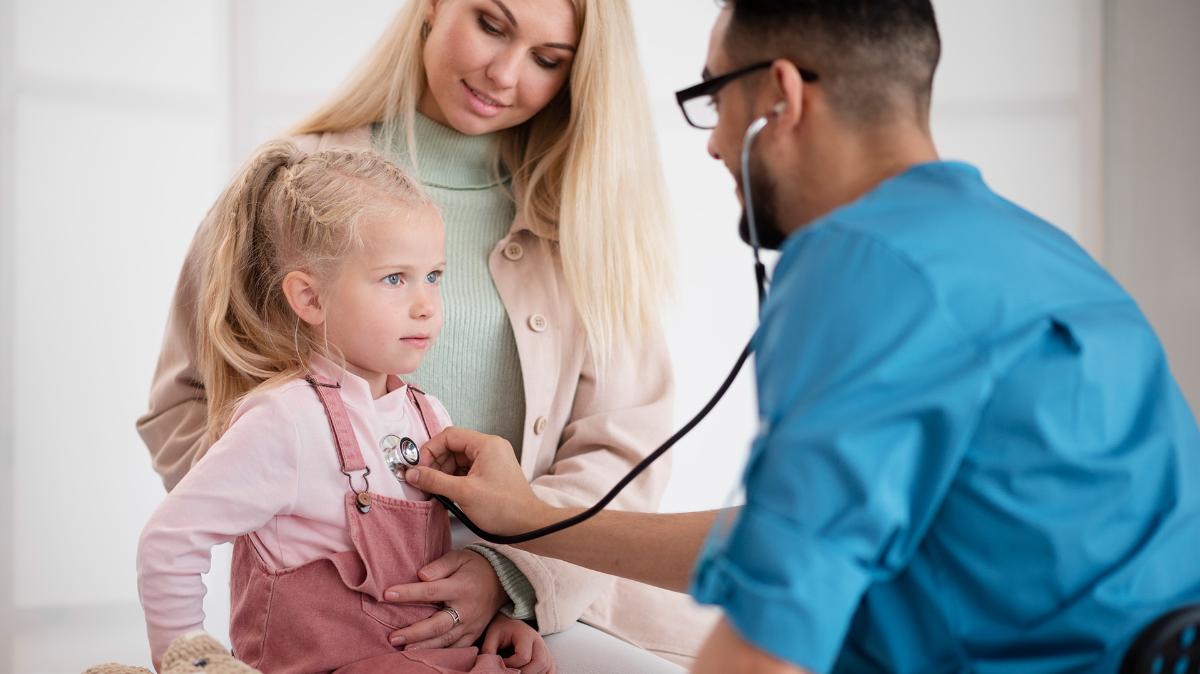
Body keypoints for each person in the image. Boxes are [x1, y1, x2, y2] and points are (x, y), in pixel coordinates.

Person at [401, 1, 1200, 672]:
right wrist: (533, 519)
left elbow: (774, 626)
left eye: (715, 100)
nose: (713, 143)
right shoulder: (1031, 251)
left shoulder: (862, 264)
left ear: (779, 94)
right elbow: (780, 537)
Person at [136, 0, 709, 669]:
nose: (504, 73)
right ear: (432, 6)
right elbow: (185, 403)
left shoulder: (589, 213)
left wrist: (507, 574)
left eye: (548, 60)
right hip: (344, 620)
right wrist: (310, 533)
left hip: (547, 594)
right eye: (491, 25)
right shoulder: (288, 190)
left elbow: (624, 446)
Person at [136, 141, 552, 673]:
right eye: (394, 279)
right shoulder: (285, 420)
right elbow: (169, 542)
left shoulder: (428, 416)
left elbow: (437, 569)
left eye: (434, 276)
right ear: (309, 298)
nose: (426, 303)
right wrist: (188, 661)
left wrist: (495, 621)